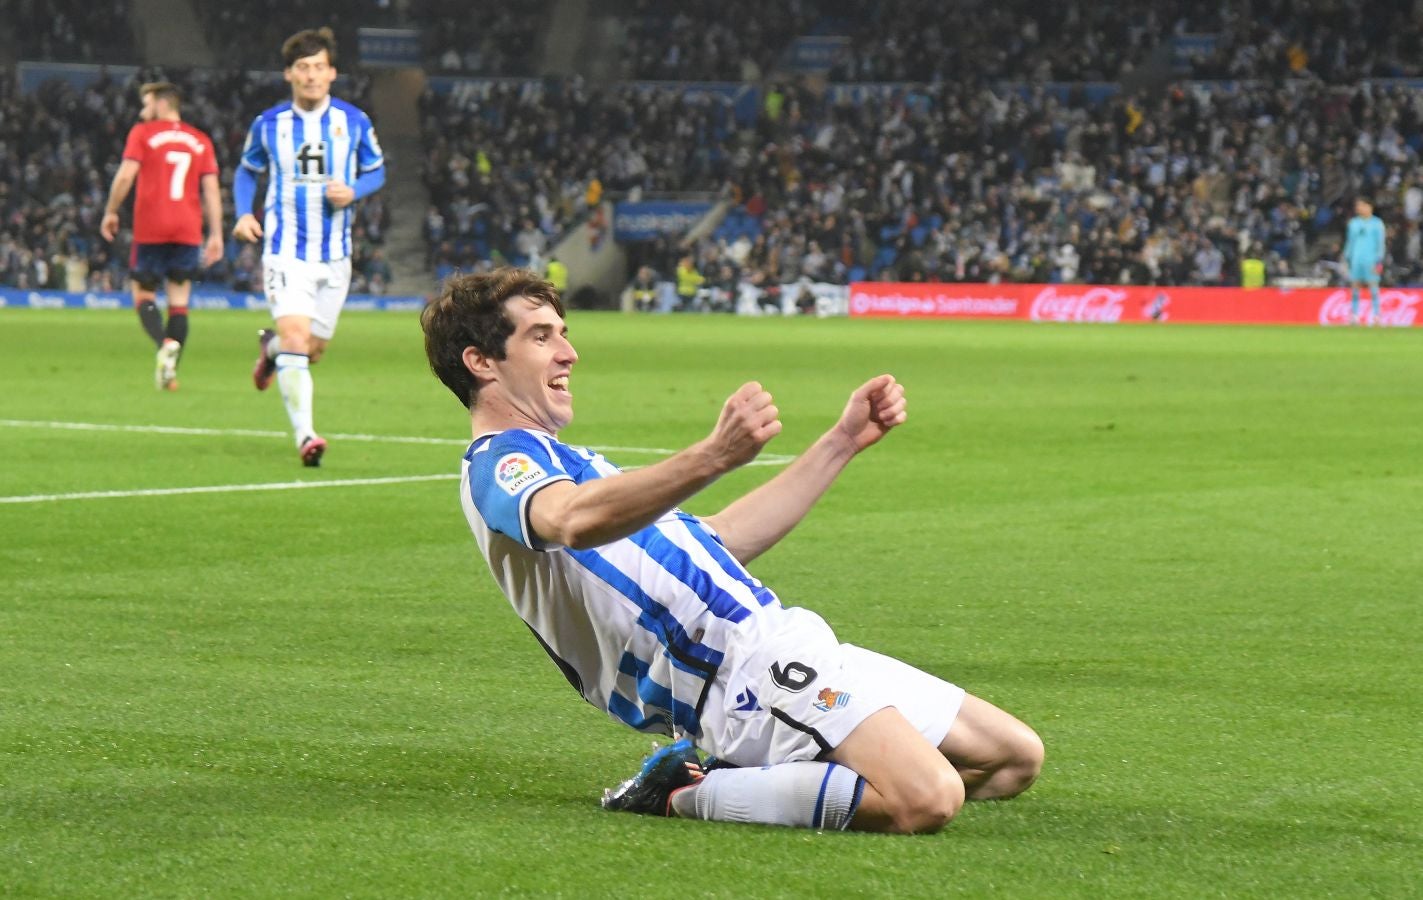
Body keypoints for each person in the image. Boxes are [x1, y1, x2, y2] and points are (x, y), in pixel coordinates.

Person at [421, 269, 1043, 835]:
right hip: (731, 673)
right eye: (541, 336)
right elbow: (571, 520)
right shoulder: (502, 462)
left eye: (563, 333)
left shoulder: (574, 463)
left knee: (1013, 759)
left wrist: (841, 442)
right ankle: (683, 793)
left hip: (782, 639)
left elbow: (718, 541)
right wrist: (713, 455)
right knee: (926, 798)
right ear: (481, 361)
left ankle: (778, 771)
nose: (568, 352)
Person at [234, 26, 386, 466]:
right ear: (289, 74)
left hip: (335, 255)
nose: (312, 75)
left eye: (319, 67)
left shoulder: (353, 121)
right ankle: (306, 437)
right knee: (297, 338)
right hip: (285, 251)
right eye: (303, 67)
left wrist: (353, 191)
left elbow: (377, 171)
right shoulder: (269, 125)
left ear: (332, 73)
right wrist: (243, 213)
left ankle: (271, 351)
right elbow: (247, 170)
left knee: (310, 350)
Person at [100, 82, 223, 391]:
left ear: (161, 104)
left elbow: (126, 176)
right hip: (187, 229)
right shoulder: (200, 140)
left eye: (147, 104)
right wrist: (216, 233)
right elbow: (211, 190)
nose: (143, 111)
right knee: (179, 301)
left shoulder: (143, 133)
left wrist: (111, 210)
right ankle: (170, 372)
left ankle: (164, 343)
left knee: (143, 295)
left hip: (151, 227)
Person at [1343, 198, 1386, 325]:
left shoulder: (1377, 223)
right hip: (1356, 259)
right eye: (1357, 206)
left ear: (1370, 207)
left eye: (1362, 205)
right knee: (1355, 287)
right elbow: (1349, 242)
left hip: (1371, 260)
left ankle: (1377, 316)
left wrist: (1379, 260)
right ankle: (1354, 316)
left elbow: (1380, 243)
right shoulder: (1353, 223)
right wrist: (1347, 257)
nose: (1359, 208)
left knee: (1373, 287)